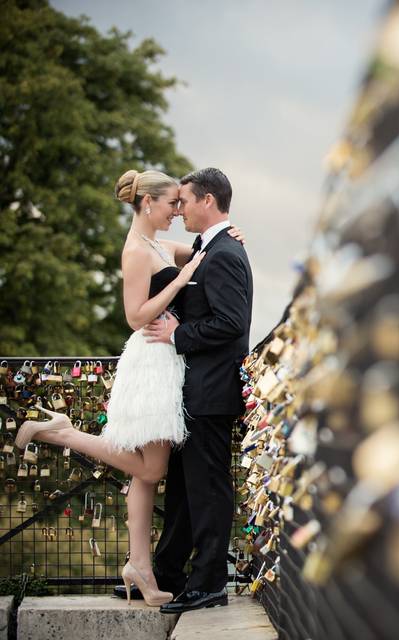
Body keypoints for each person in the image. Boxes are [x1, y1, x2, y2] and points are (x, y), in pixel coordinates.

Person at [14, 169, 242, 606]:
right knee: (150, 469)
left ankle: (140, 566)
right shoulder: (137, 250)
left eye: (182, 203)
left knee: (147, 472)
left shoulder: (159, 243)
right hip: (152, 359)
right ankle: (60, 432)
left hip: (168, 361)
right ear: (148, 204)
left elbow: (201, 250)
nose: (178, 211)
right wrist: (179, 280)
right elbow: (135, 317)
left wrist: (230, 233)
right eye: (172, 204)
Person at [141, 167, 253, 614]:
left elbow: (231, 324)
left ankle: (209, 584)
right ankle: (168, 575)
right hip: (194, 391)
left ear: (208, 201)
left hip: (211, 390)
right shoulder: (211, 248)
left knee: (208, 490)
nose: (180, 208)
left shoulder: (225, 253)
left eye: (184, 201)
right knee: (185, 492)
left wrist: (177, 334)